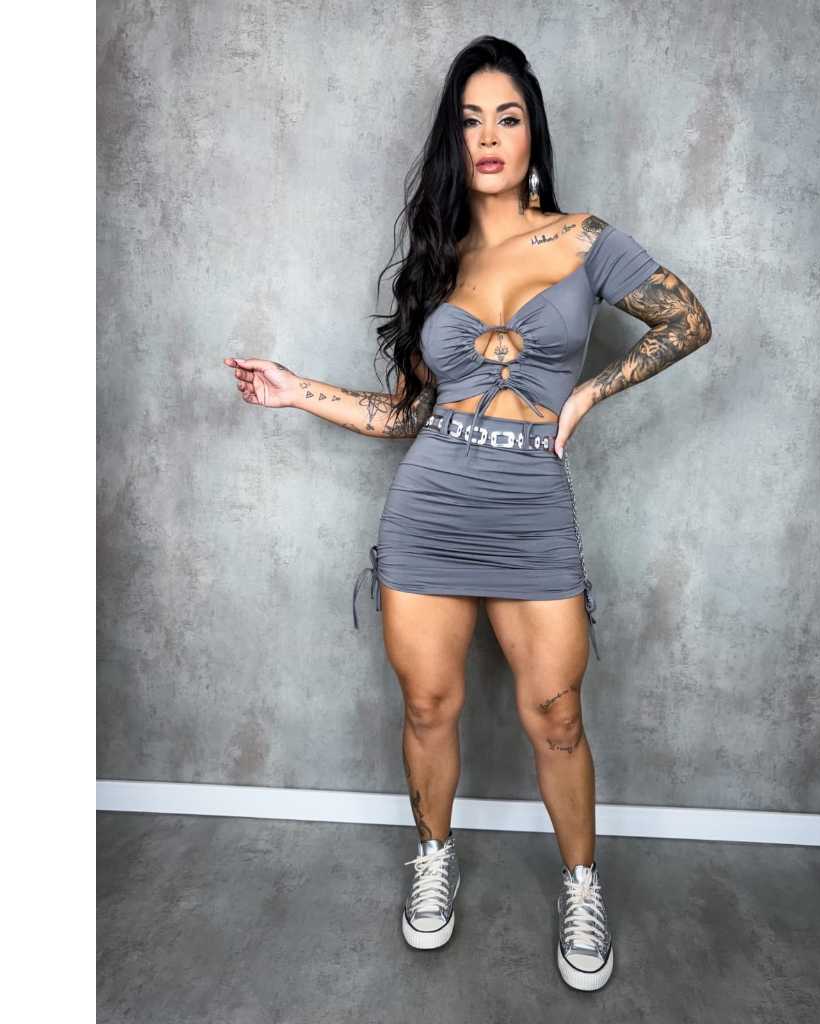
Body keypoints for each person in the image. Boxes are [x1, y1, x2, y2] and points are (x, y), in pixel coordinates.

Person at [224, 36, 711, 992]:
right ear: (455, 139)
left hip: (532, 508)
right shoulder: (435, 260)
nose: (489, 137)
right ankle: (434, 859)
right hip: (431, 507)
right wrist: (293, 389)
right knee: (427, 705)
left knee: (557, 716)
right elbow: (404, 416)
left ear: (533, 134)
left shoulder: (585, 240)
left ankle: (580, 886)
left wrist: (591, 390)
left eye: (508, 117)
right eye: (470, 120)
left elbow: (689, 319)